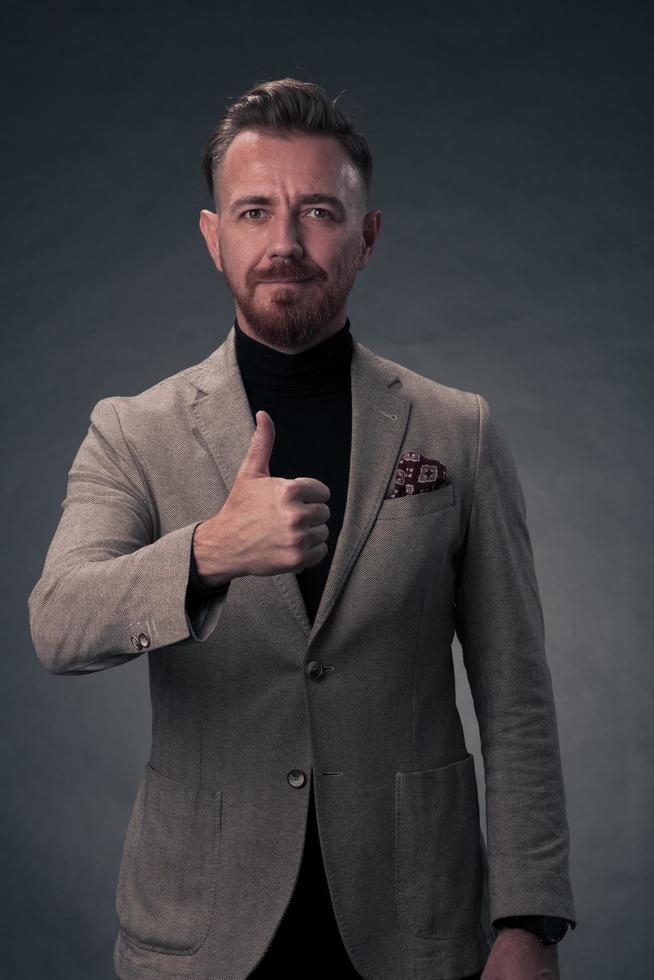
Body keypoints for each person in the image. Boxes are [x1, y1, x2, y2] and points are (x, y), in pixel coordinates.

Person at [28, 78, 576, 980]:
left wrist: (529, 920)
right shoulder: (133, 429)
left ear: (367, 237)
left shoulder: (456, 431)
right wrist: (208, 553)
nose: (284, 243)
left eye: (318, 211)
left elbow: (515, 696)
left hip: (416, 926)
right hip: (200, 933)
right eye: (253, 211)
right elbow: (59, 619)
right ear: (214, 238)